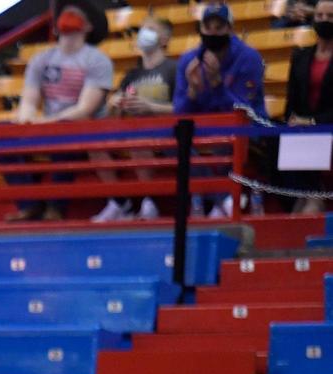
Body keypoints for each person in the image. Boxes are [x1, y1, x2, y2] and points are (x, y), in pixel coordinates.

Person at [2, 0, 113, 221]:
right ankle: (29, 204)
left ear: (89, 26)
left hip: (80, 128)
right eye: (65, 12)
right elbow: (29, 101)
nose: (69, 14)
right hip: (48, 126)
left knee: (67, 132)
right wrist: (26, 120)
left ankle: (55, 207)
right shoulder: (40, 59)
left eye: (76, 12)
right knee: (1, 133)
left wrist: (47, 122)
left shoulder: (97, 60)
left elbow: (85, 109)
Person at [174, 3, 267, 219]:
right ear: (201, 29)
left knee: (225, 142)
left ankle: (220, 202)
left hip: (248, 127)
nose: (213, 32)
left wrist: (217, 83)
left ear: (230, 29)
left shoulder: (249, 58)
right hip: (206, 128)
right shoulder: (189, 60)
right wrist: (193, 92)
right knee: (173, 140)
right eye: (208, 27)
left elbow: (244, 112)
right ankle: (224, 198)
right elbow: (179, 112)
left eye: (220, 27)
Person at [92, 17, 176, 223]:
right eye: (141, 29)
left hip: (164, 130)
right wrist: (115, 102)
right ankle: (120, 202)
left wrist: (151, 107)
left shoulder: (174, 69)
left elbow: (183, 108)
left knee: (139, 141)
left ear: (164, 39)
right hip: (131, 128)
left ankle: (150, 202)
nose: (143, 34)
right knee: (95, 144)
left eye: (150, 29)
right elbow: (115, 108)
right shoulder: (132, 74)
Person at [282, 0, 333, 214]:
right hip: (303, 135)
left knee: (310, 204)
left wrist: (314, 122)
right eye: (319, 16)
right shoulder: (300, 56)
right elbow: (291, 100)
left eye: (330, 17)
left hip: (329, 131)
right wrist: (291, 122)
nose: (323, 20)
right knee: (300, 203)